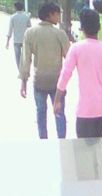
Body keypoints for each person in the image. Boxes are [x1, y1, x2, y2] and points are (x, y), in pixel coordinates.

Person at [54, 8, 102, 139]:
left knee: (83, 148)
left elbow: (65, 75)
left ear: (82, 28)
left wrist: (57, 99)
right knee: (98, 146)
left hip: (85, 108)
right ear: (98, 28)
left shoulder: (76, 49)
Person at [20, 2, 69, 139]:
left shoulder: (30, 33)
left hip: (39, 80)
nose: (59, 16)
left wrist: (24, 82)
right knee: (59, 113)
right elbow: (69, 58)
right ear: (50, 15)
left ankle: (43, 141)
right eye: (57, 13)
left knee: (41, 114)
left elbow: (25, 60)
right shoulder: (60, 34)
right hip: (58, 82)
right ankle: (62, 141)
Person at [6, 1, 31, 69]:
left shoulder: (13, 17)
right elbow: (30, 28)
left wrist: (7, 42)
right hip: (25, 40)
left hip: (16, 41)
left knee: (17, 57)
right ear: (22, 8)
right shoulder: (26, 16)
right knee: (25, 57)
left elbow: (10, 30)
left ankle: (20, 70)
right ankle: (25, 70)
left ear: (15, 8)